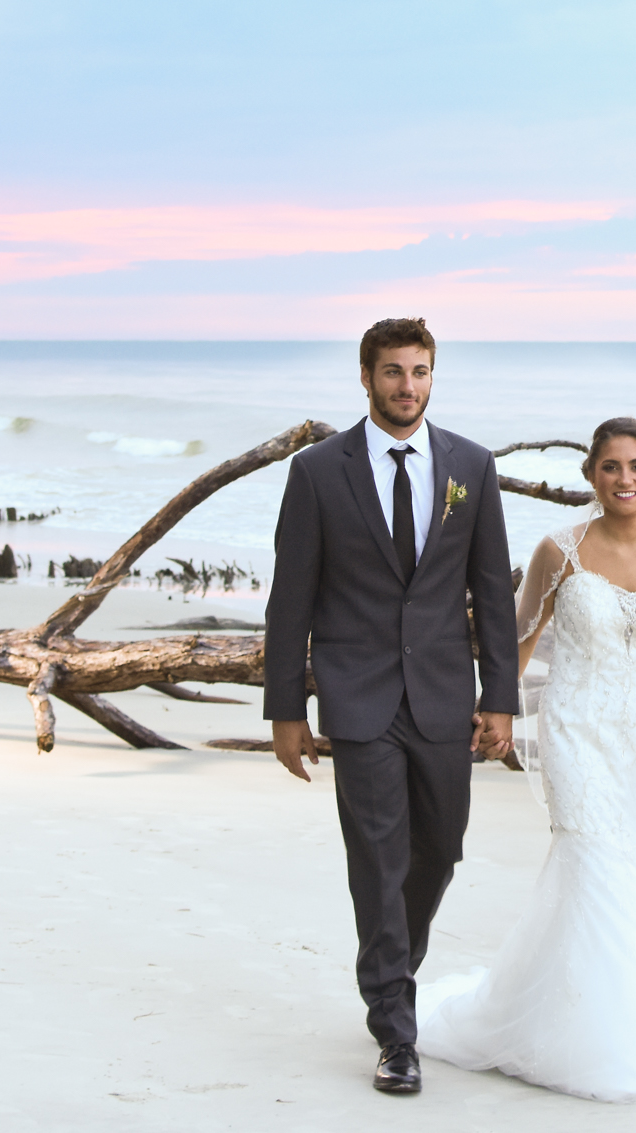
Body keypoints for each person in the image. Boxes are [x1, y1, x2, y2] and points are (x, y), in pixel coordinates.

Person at [415, 416, 636, 1103]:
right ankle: (604, 1042)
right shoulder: (559, 550)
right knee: (592, 862)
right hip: (576, 730)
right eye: (610, 467)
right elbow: (515, 642)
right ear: (590, 476)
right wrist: (499, 714)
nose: (624, 479)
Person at [262, 317, 519, 1096]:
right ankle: (394, 1028)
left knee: (439, 848)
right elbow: (290, 597)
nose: (407, 386)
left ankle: (390, 966)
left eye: (420, 371)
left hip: (443, 692)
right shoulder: (316, 472)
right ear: (366, 377)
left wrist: (500, 697)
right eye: (393, 372)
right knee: (377, 855)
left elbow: (491, 592)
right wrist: (285, 708)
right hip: (358, 694)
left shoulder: (470, 466)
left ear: (433, 377)